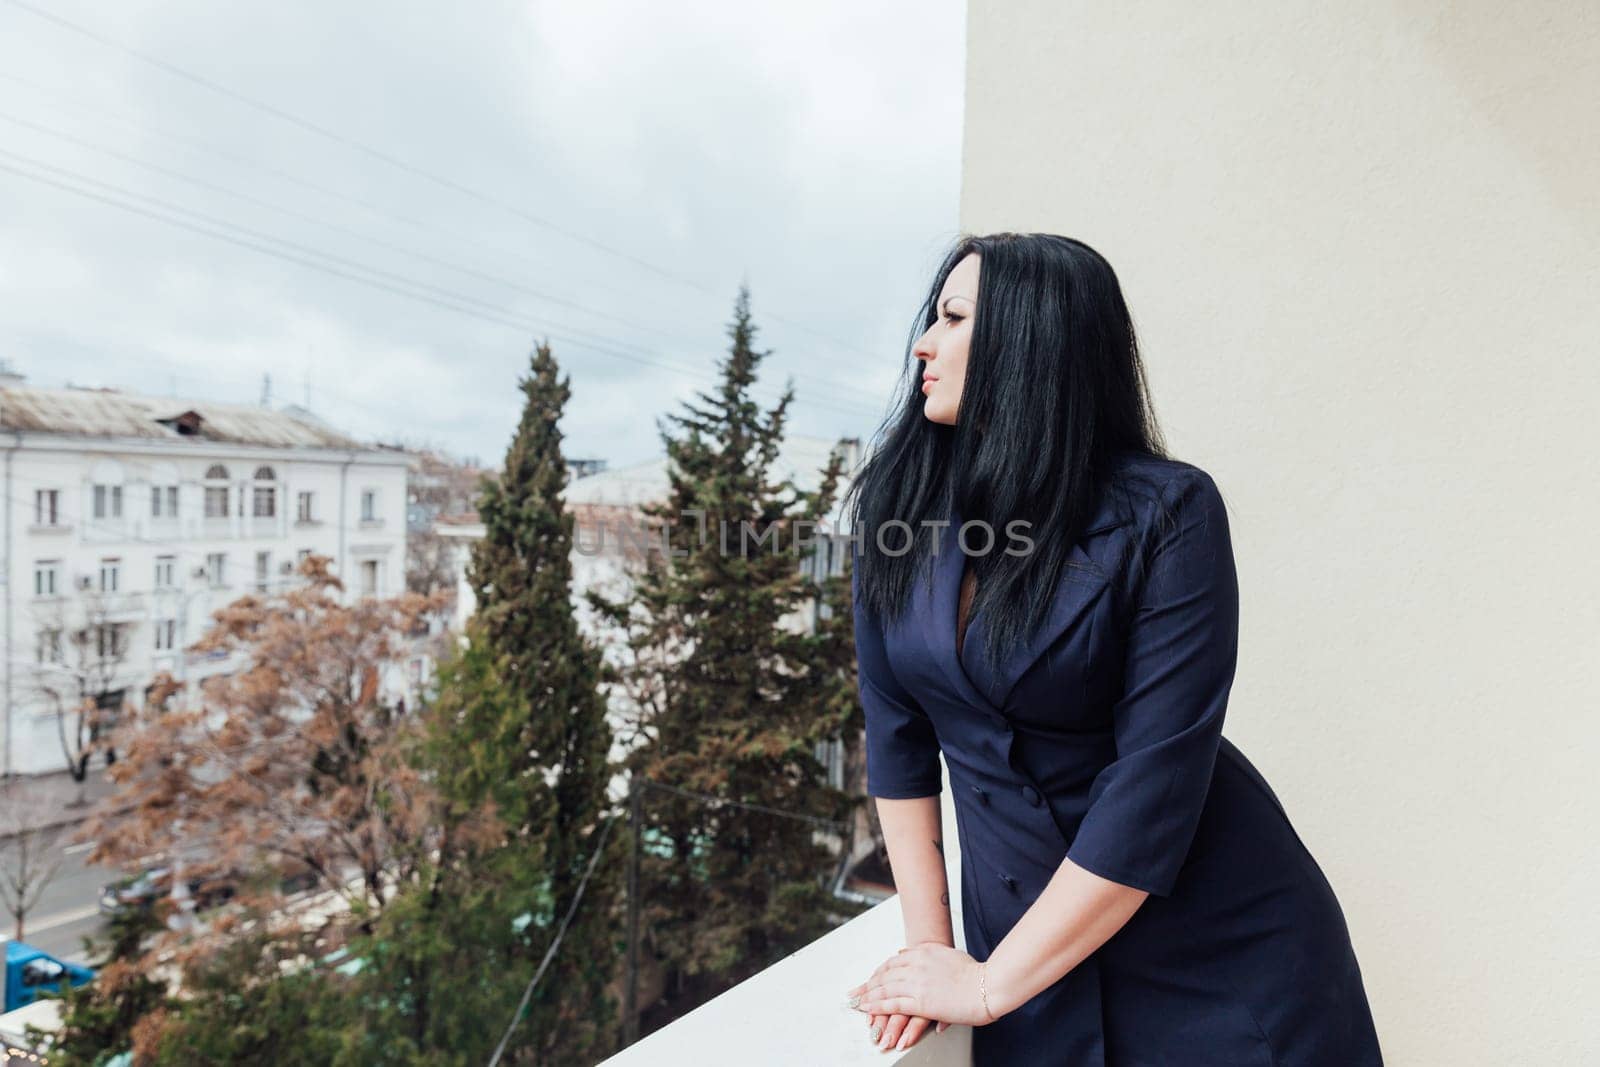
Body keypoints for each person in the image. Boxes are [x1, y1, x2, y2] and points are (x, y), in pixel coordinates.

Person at [842, 233, 1383, 1064]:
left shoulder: (1170, 513)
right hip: (1026, 972)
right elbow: (898, 746)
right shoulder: (897, 513)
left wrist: (988, 986)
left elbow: (1152, 787)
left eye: (952, 319)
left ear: (1031, 342)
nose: (924, 341)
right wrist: (932, 952)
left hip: (1219, 961)